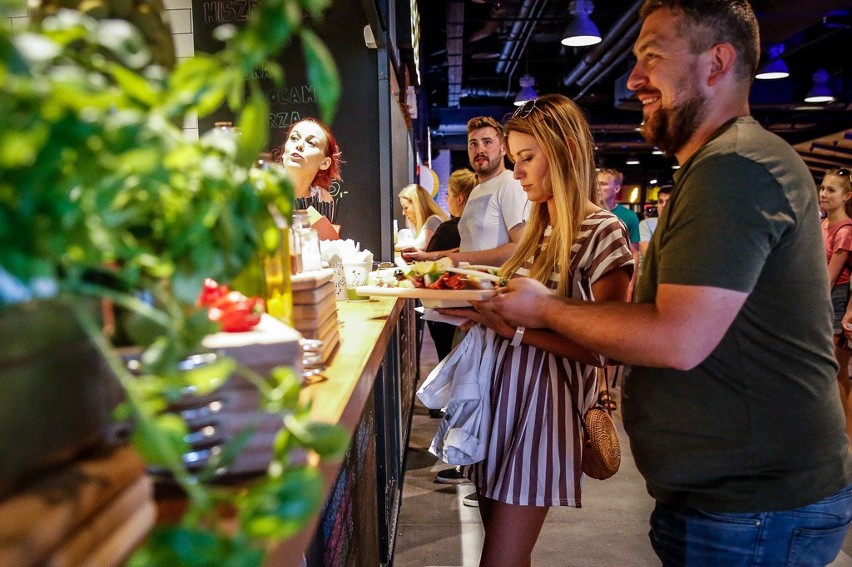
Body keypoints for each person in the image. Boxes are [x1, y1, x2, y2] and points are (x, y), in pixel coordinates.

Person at [475, 1, 852, 565]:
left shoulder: (735, 167)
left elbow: (675, 336)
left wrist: (539, 311)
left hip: (752, 506)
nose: (633, 79)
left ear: (717, 62)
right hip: (731, 501)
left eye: (653, 57)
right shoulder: (719, 166)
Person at [439, 94, 632, 567]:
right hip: (498, 398)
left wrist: (516, 330)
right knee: (504, 554)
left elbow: (611, 348)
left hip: (544, 414)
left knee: (499, 560)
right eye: (515, 158)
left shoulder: (602, 231)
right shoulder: (538, 229)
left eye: (527, 158)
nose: (518, 171)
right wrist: (483, 311)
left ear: (564, 150)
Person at [406, 116, 528, 266]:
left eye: (487, 142)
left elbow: (520, 247)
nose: (479, 149)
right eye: (473, 144)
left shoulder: (510, 183)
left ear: (503, 149)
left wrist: (454, 260)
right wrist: (428, 256)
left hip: (494, 286)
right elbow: (469, 250)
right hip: (469, 284)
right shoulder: (476, 190)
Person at [422, 169, 478, 363]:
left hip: (446, 312)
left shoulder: (447, 230)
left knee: (448, 366)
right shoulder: (478, 230)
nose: (446, 200)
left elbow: (428, 268)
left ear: (460, 199)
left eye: (448, 195)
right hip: (475, 310)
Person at [823, 167, 852, 441]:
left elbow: (829, 278)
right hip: (822, 296)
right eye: (822, 188)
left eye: (831, 190)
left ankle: (844, 437)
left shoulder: (844, 230)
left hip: (834, 298)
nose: (823, 194)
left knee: (836, 371)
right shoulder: (822, 224)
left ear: (846, 196)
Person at [280, 118, 343, 222]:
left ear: (324, 163)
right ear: (284, 152)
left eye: (311, 143)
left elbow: (326, 237)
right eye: (294, 138)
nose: (299, 145)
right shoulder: (262, 188)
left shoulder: (322, 200)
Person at [397, 184, 449, 252]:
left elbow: (421, 245)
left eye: (406, 208)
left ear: (417, 206)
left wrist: (395, 246)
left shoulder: (433, 220)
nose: (403, 213)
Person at [598, 168, 640, 250]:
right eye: (596, 183)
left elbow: (634, 252)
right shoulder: (587, 213)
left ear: (616, 188)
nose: (597, 188)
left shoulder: (629, 216)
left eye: (603, 184)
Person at [638, 184, 672, 259]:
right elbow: (649, 256)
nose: (663, 205)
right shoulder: (646, 224)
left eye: (668, 202)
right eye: (660, 202)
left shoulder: (682, 226)